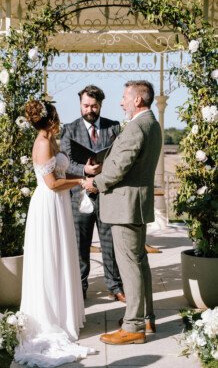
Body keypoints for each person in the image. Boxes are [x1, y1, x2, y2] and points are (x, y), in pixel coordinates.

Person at [83, 80, 162, 345]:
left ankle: (133, 327)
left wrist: (94, 183)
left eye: (125, 97)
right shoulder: (151, 124)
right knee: (139, 264)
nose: (121, 102)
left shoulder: (137, 127)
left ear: (138, 100)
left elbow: (118, 168)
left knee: (129, 267)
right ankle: (146, 317)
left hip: (125, 208)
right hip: (134, 206)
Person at [14, 100, 92, 367]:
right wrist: (81, 181)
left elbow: (60, 170)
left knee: (61, 257)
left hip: (58, 205)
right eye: (57, 116)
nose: (60, 119)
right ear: (50, 119)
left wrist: (83, 171)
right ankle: (50, 318)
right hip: (48, 204)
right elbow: (52, 182)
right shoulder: (44, 143)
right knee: (50, 259)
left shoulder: (51, 139)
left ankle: (62, 313)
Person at [60, 85, 125, 302]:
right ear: (80, 104)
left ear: (100, 106)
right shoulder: (69, 129)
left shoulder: (114, 127)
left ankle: (115, 285)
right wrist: (85, 172)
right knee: (81, 245)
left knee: (110, 243)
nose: (90, 109)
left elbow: (120, 160)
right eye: (86, 105)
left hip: (107, 193)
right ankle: (80, 287)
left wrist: (100, 177)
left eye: (94, 106)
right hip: (79, 195)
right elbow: (66, 164)